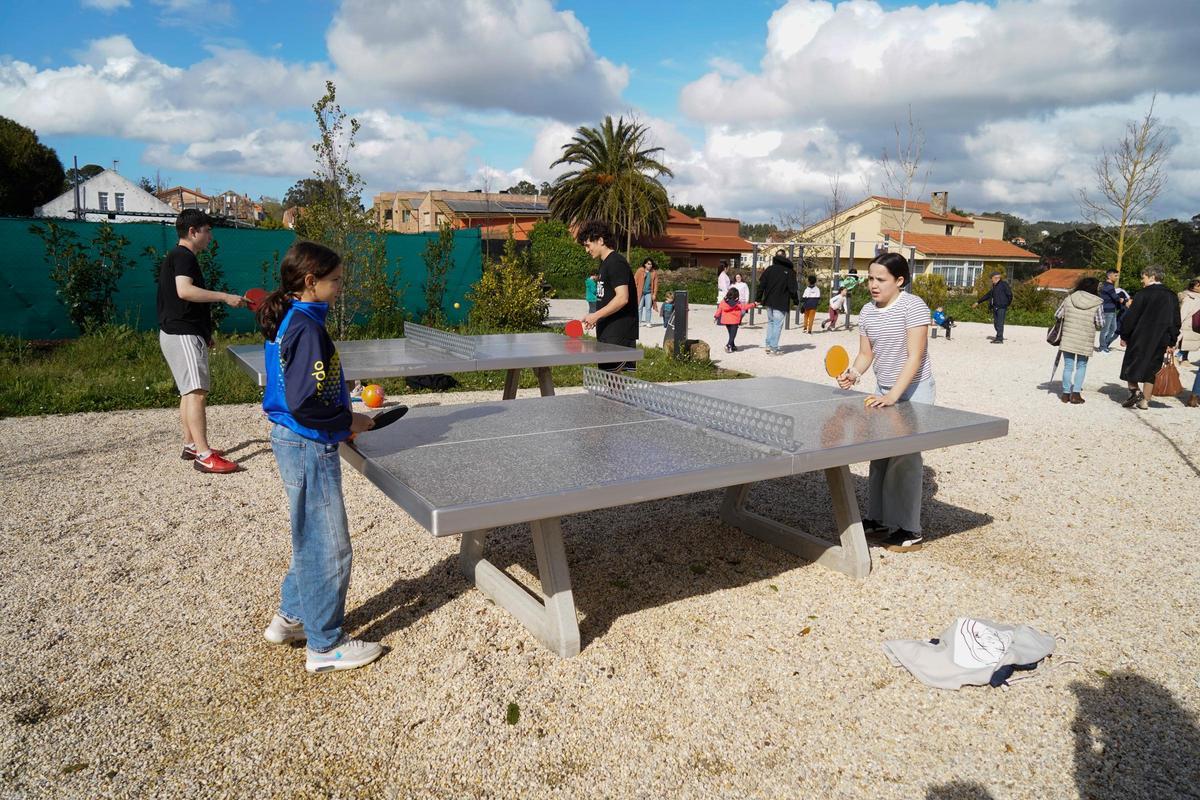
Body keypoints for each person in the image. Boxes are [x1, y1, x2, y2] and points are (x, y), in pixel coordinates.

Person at [257, 240, 383, 673]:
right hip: (308, 440)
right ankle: (325, 645)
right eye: (335, 281)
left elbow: (306, 389)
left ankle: (292, 617)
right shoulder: (306, 327)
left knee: (310, 536)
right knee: (331, 548)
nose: (340, 288)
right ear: (310, 282)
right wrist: (346, 423)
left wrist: (343, 413)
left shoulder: (293, 317)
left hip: (296, 438)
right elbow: (303, 401)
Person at [836, 252, 933, 552]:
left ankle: (910, 529)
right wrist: (853, 373)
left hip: (915, 389)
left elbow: (915, 356)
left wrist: (893, 395)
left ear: (899, 280)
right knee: (878, 456)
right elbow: (867, 354)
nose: (873, 285)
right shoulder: (866, 311)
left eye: (881, 279)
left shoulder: (913, 306)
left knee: (905, 458)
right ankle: (877, 519)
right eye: (870, 279)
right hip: (883, 389)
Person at [157, 209, 245, 474]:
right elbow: (185, 291)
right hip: (182, 333)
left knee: (188, 391)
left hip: (180, 332)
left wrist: (204, 332)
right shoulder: (184, 257)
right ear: (193, 232)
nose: (210, 236)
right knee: (196, 392)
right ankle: (205, 455)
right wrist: (224, 297)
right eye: (207, 231)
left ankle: (191, 445)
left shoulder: (177, 256)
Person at [1119, 265, 1181, 410]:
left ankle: (1135, 391)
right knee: (1152, 369)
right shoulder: (1171, 295)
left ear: (1152, 277)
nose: (1142, 280)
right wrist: (1172, 340)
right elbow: (1175, 320)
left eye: (1144, 277)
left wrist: (1124, 335)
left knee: (1131, 365)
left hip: (1140, 335)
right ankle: (1145, 401)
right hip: (1161, 337)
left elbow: (1131, 317)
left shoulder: (1143, 294)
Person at [579, 221, 638, 371]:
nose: (587, 250)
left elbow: (622, 298)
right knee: (610, 384)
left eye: (588, 245)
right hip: (608, 332)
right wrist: (594, 316)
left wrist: (596, 315)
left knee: (614, 385)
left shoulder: (616, 262)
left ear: (600, 240)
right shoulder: (605, 264)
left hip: (618, 334)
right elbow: (607, 297)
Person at [1056, 276, 1103, 404]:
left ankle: (1065, 394)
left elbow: (1058, 315)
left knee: (1068, 366)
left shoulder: (1069, 298)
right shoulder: (1098, 302)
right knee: (1081, 365)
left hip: (1069, 337)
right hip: (1085, 338)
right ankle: (1076, 393)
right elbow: (1100, 323)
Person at [755, 251, 799, 355]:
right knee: (777, 324)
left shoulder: (769, 269)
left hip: (769, 301)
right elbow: (793, 289)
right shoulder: (789, 271)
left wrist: (758, 299)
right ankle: (774, 348)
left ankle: (768, 345)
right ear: (785, 257)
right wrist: (796, 301)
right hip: (781, 302)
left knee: (771, 323)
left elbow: (761, 285)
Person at [973, 271, 1012, 343]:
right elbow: (988, 295)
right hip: (995, 307)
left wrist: (1006, 304)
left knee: (1000, 323)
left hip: (1002, 307)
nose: (991, 280)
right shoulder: (994, 286)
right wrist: (978, 302)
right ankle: (999, 335)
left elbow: (1010, 295)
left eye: (992, 278)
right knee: (996, 324)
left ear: (996, 278)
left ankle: (999, 339)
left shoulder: (1004, 284)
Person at [713, 287, 756, 352]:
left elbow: (719, 309)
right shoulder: (737, 303)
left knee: (731, 334)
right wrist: (754, 304)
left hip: (726, 320)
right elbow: (744, 307)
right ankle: (728, 345)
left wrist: (716, 316)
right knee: (733, 335)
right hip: (734, 321)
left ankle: (733, 346)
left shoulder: (723, 301)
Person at [1177, 276, 1200, 370]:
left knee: (1189, 344)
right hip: (1188, 324)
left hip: (1194, 324)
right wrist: (1179, 324)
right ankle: (1177, 357)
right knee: (1185, 343)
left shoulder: (1196, 297)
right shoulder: (1189, 297)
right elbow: (1184, 311)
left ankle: (1184, 359)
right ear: (1196, 286)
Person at [1098, 269, 1121, 352]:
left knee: (1113, 328)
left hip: (1112, 310)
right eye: (1115, 275)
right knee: (1105, 329)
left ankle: (1105, 344)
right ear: (1109, 276)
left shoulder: (1109, 285)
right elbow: (1115, 297)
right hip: (1107, 310)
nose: (1117, 277)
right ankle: (1102, 347)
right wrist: (1122, 299)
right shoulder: (1108, 286)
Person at [634, 257, 659, 327]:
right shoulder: (640, 270)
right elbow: (634, 281)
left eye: (651, 264)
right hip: (640, 292)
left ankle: (648, 322)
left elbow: (656, 284)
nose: (650, 265)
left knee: (648, 307)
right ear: (645, 264)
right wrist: (635, 291)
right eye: (648, 264)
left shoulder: (654, 272)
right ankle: (639, 322)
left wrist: (654, 294)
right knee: (639, 307)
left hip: (648, 292)